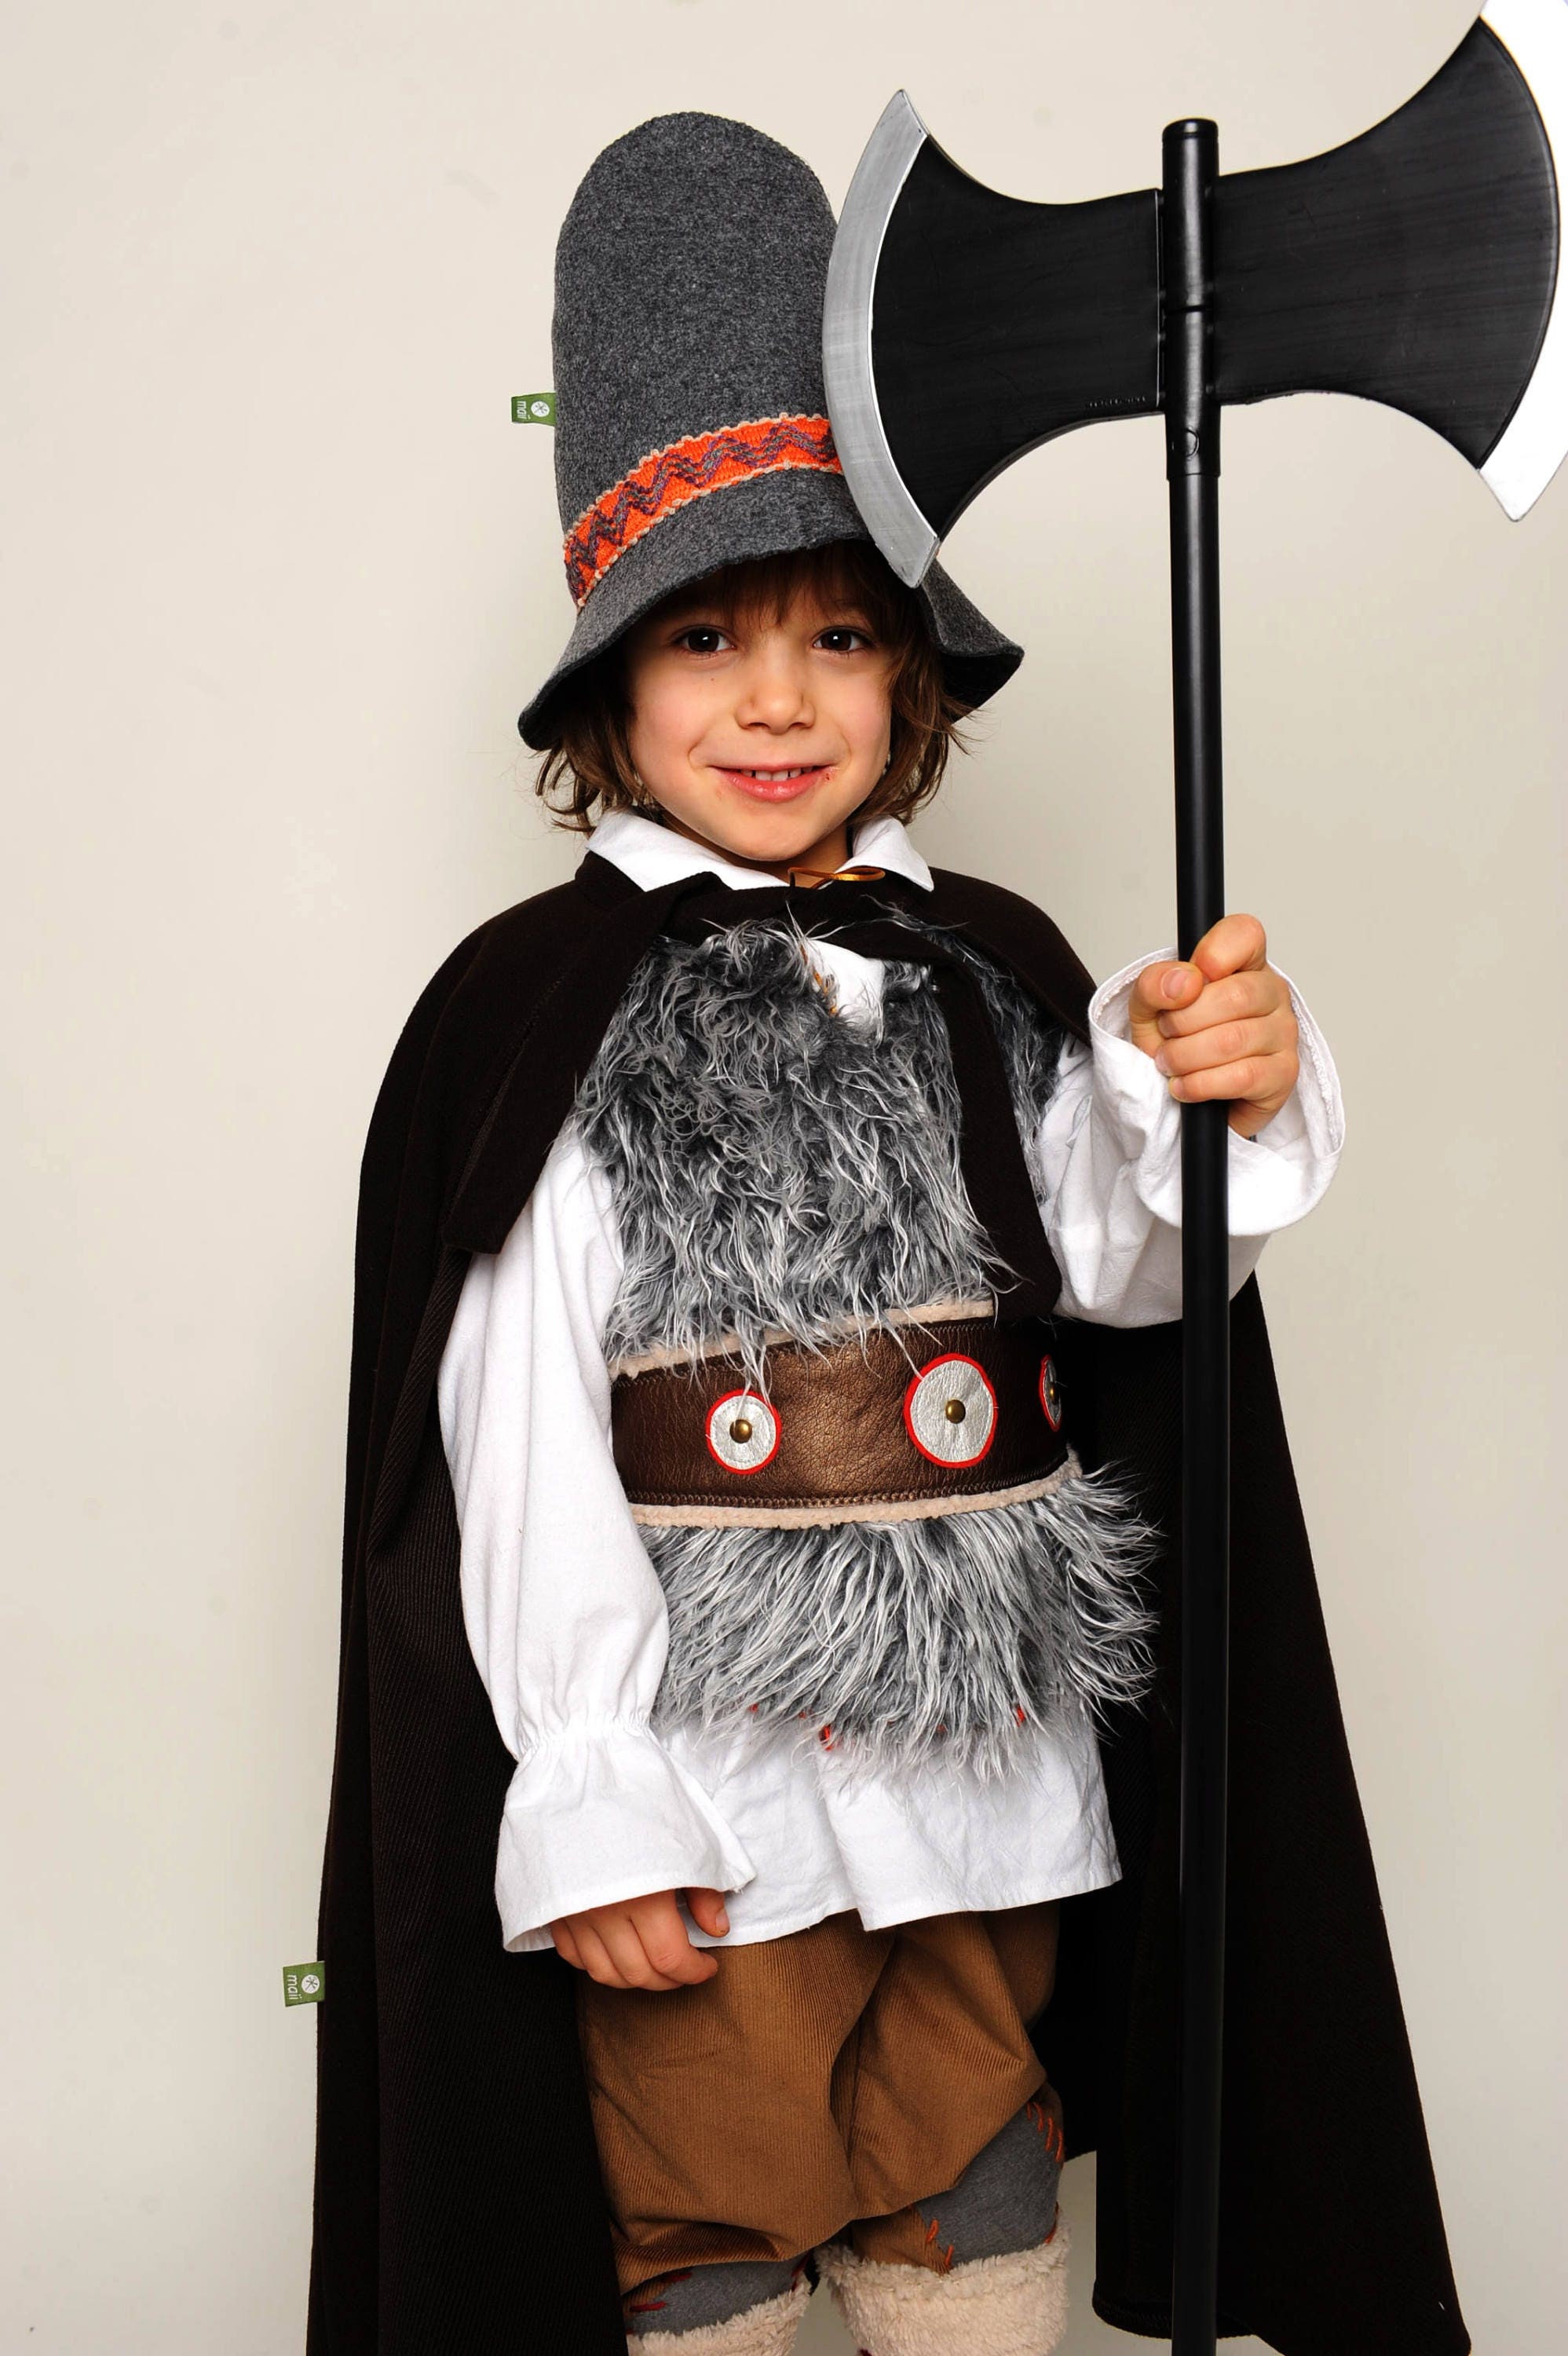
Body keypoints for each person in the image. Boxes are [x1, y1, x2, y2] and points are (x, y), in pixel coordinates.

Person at [306, 110, 1470, 2356]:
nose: (776, 700)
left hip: (985, 1780)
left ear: (910, 676)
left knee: (974, 2176)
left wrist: (1196, 1090)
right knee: (720, 2208)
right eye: (709, 639)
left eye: (839, 635)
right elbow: (521, 1430)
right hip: (715, 1795)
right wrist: (593, 1789)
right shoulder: (539, 1018)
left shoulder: (995, 967)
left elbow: (1132, 1288)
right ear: (611, 689)